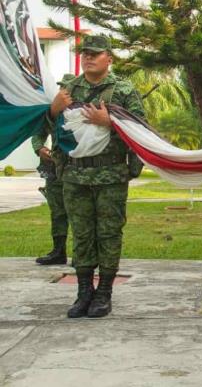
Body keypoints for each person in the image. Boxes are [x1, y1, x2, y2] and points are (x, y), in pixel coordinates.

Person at [49, 34, 145, 318]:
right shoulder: (68, 91)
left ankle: (103, 293)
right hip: (75, 176)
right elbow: (51, 128)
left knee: (108, 234)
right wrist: (53, 109)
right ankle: (83, 293)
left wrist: (111, 122)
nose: (88, 57)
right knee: (81, 235)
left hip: (110, 176)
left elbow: (141, 130)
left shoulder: (123, 90)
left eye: (95, 53)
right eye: (85, 53)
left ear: (109, 58)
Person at [32, 73, 76, 266]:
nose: (63, 91)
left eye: (67, 88)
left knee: (79, 211)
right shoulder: (54, 110)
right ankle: (58, 251)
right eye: (62, 88)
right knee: (57, 210)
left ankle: (83, 255)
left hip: (78, 167)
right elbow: (38, 132)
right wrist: (39, 148)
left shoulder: (82, 111)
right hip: (56, 167)